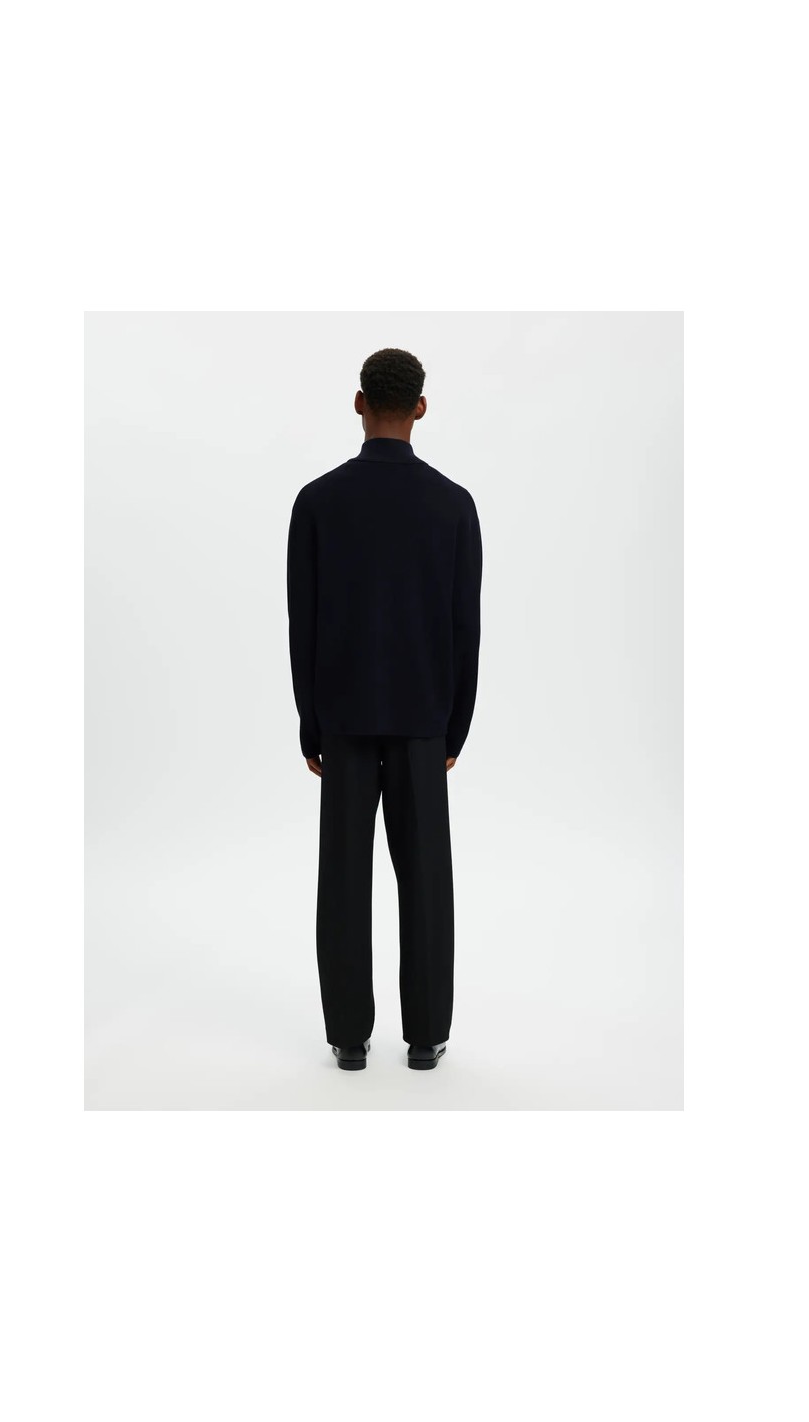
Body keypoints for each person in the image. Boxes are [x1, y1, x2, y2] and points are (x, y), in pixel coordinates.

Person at [286, 348, 482, 1072]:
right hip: (424, 718)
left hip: (343, 715)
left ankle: (348, 1036)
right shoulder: (453, 505)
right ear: (421, 408)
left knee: (343, 878)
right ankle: (426, 1036)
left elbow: (302, 625)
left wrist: (310, 723)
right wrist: (455, 728)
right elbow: (465, 627)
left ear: (359, 402)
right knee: (426, 878)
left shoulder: (317, 501)